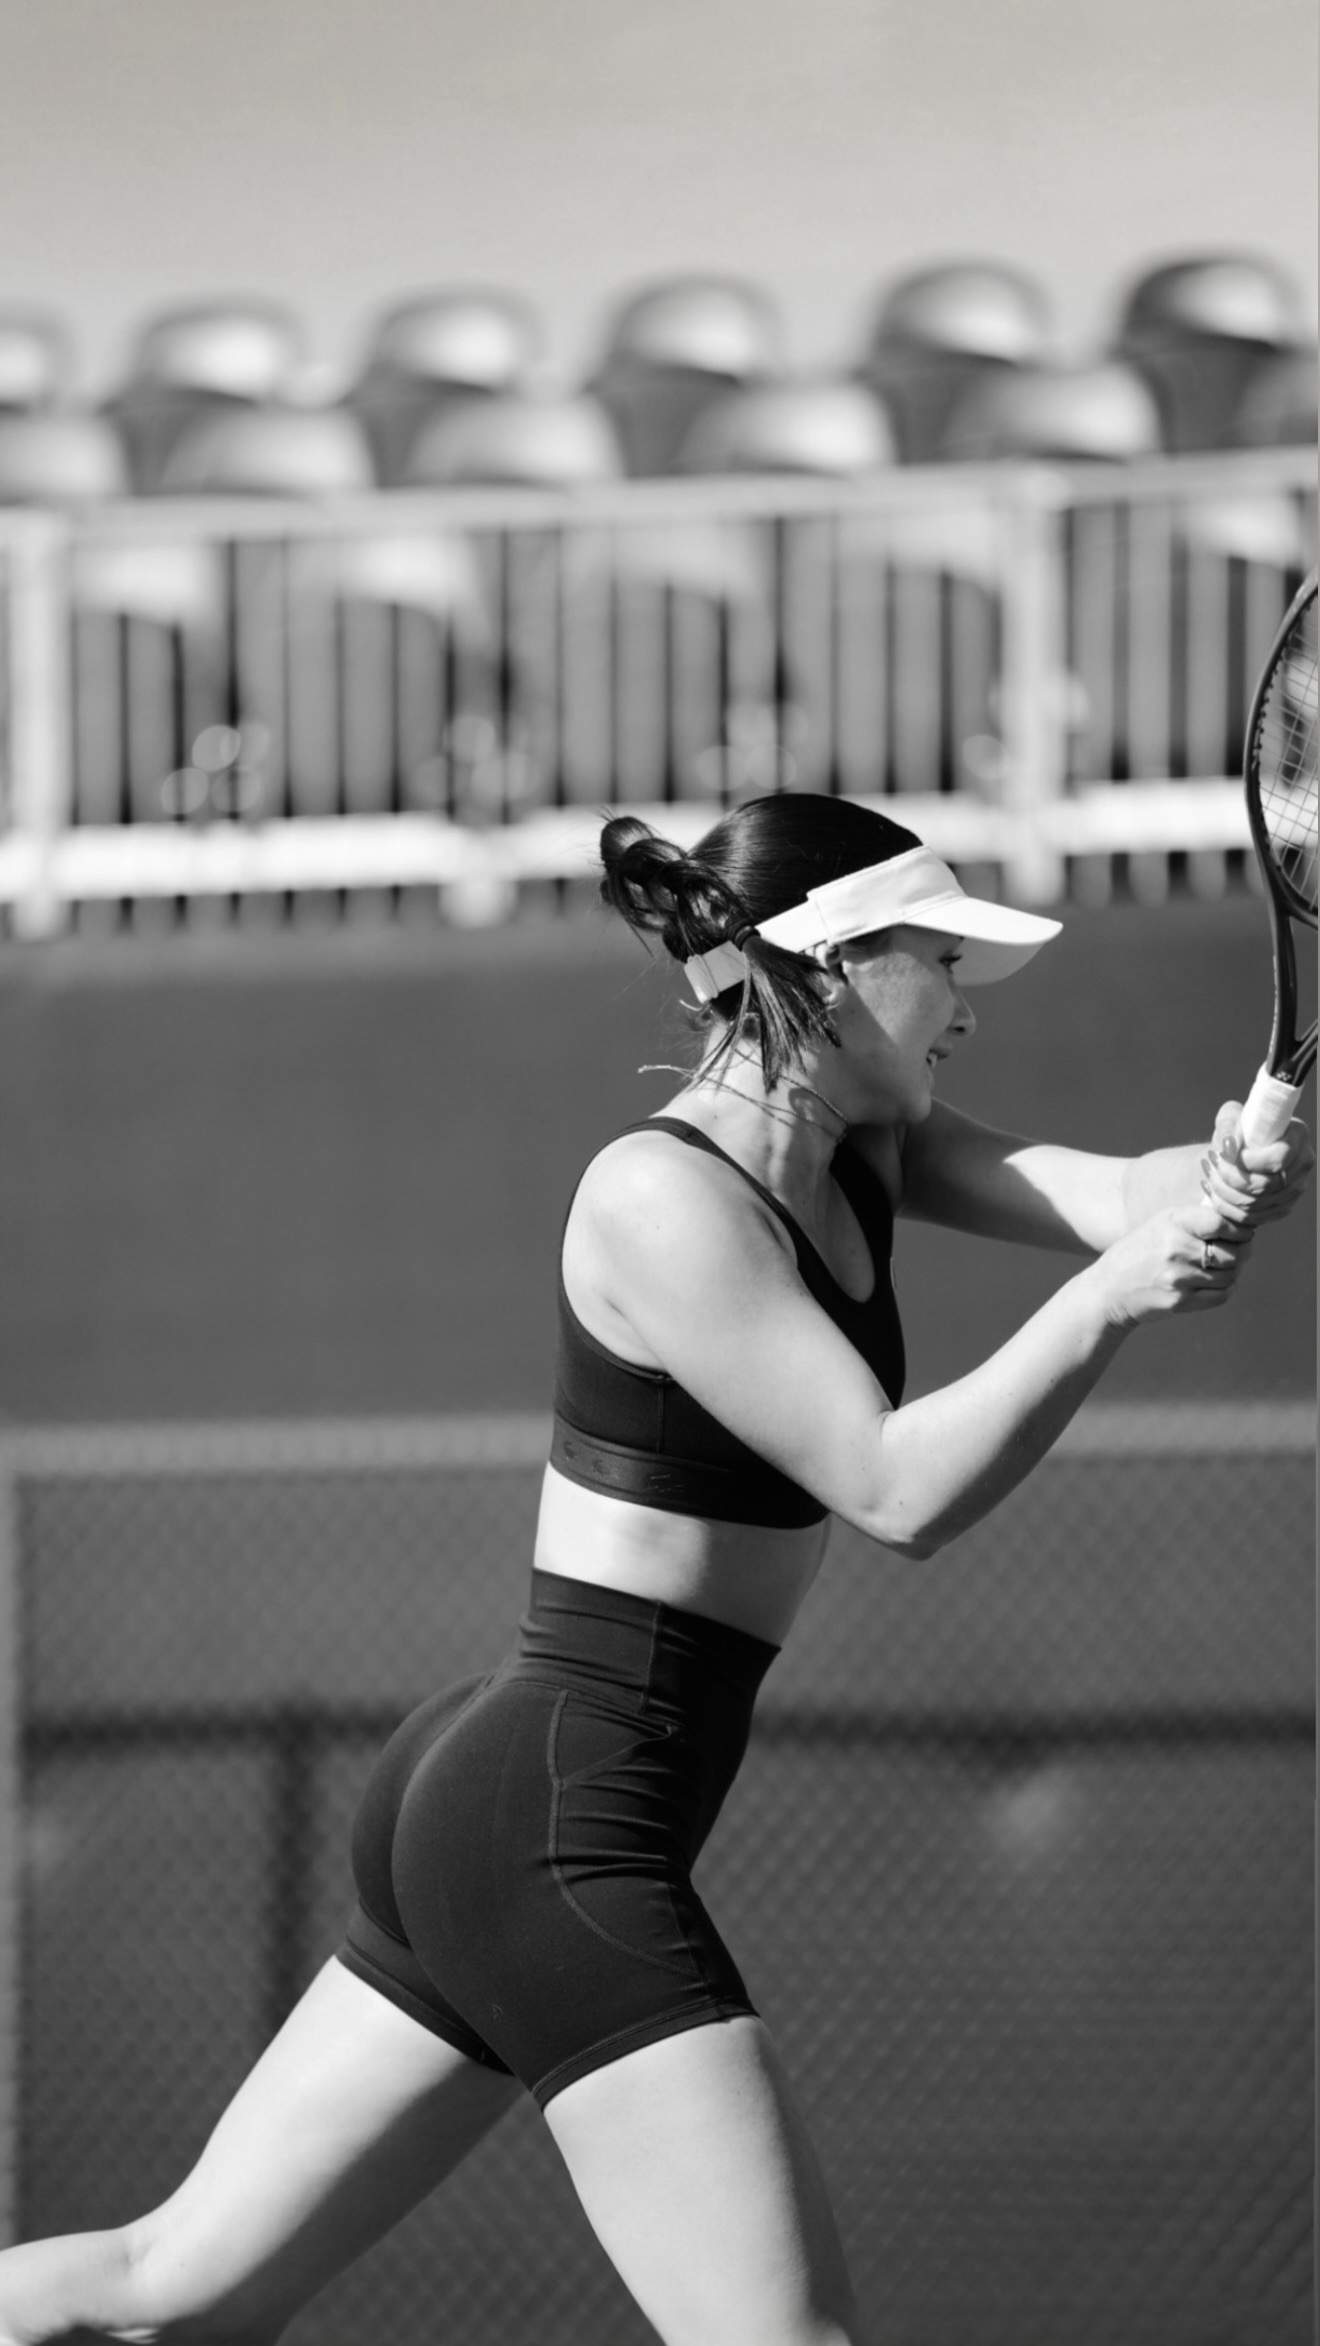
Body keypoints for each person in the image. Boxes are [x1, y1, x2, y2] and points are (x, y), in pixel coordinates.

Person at [0, 793, 1311, 2346]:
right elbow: (897, 1489)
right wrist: (1109, 1299)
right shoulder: (657, 1196)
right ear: (827, 968)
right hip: (554, 1814)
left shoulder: (865, 1137)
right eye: (942, 961)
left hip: (515, 1801)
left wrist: (1234, 1163)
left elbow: (1125, 1196)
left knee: (165, 2299)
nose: (966, 1006)